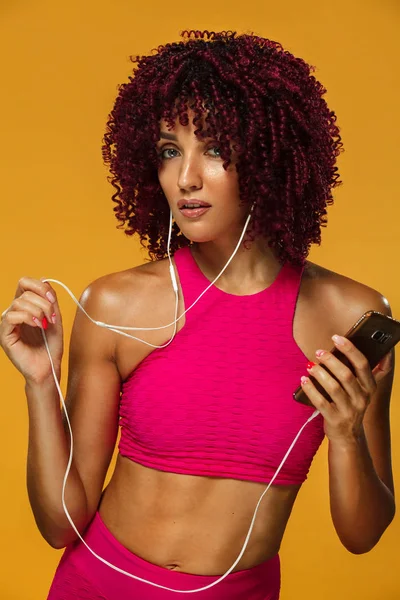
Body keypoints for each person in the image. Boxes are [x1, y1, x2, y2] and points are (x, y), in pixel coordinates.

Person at [0, 30, 396, 600]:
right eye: (168, 150)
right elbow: (62, 523)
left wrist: (346, 432)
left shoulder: (349, 314)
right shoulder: (116, 305)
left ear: (267, 156)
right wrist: (40, 383)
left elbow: (363, 536)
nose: (185, 177)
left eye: (213, 148)